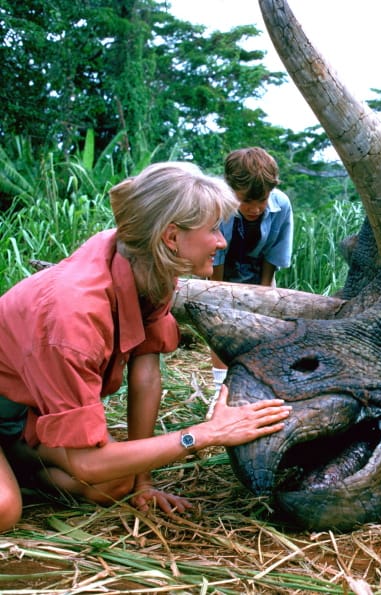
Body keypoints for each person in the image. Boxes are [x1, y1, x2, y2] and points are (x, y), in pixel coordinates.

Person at [0, 162, 292, 533]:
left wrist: (143, 482)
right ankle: (20, 467)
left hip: (29, 414)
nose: (221, 242)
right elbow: (89, 464)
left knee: (117, 483)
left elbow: (145, 373)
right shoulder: (73, 317)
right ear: (171, 237)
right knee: (5, 510)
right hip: (10, 406)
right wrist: (206, 434)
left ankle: (20, 459)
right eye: (213, 230)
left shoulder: (149, 264)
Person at [209, 147, 294, 387]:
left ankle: (256, 381)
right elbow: (215, 255)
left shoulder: (282, 205)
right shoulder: (216, 203)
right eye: (246, 201)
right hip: (223, 268)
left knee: (262, 324)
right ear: (231, 191)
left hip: (258, 268)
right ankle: (219, 385)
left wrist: (264, 293)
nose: (255, 209)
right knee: (220, 324)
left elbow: (275, 252)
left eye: (262, 201)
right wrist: (219, 292)